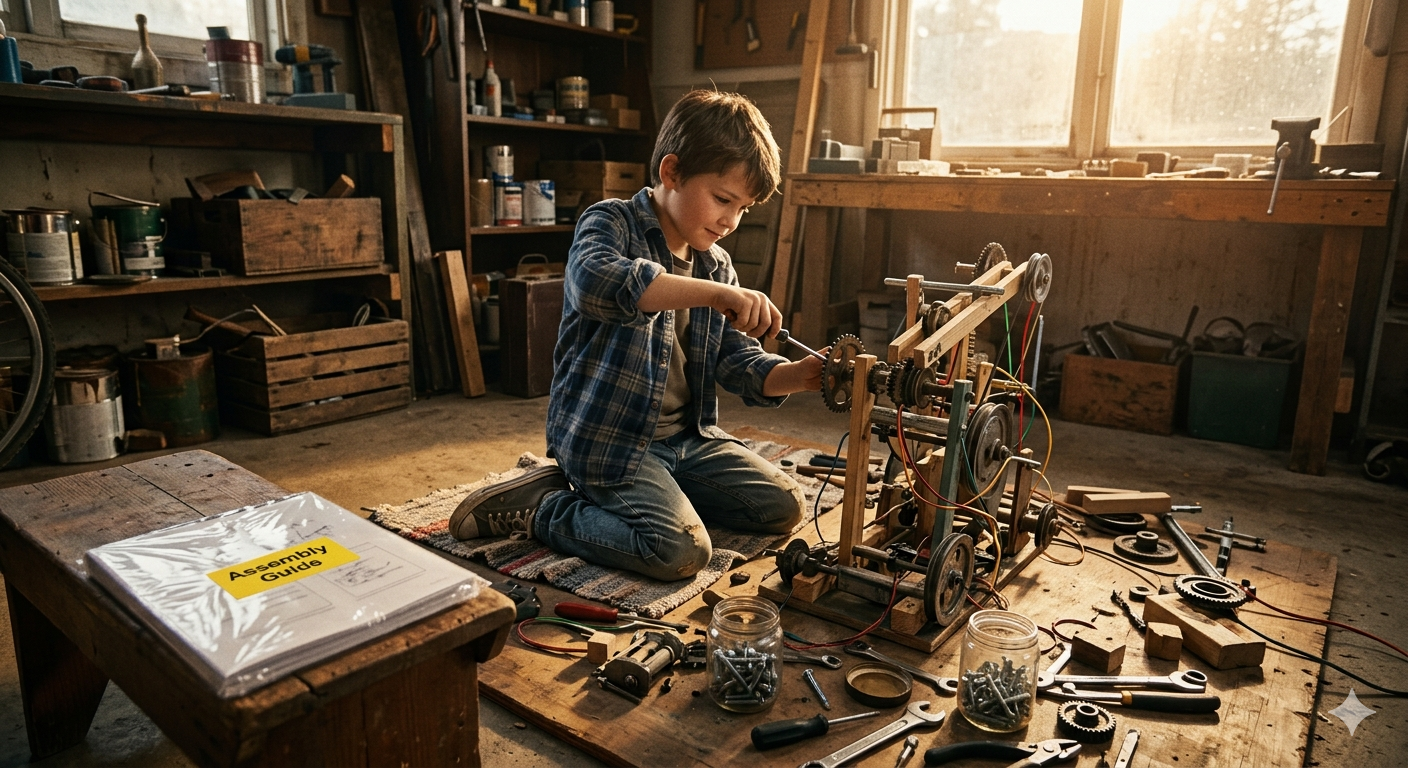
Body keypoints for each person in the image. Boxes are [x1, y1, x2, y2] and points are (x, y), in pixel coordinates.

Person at [450, 90, 825, 581]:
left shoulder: (717, 265)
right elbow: (595, 283)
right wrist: (715, 295)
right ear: (672, 172)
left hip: (687, 440)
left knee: (784, 506)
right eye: (722, 200)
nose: (731, 221)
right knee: (678, 551)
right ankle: (543, 507)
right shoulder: (610, 221)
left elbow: (738, 362)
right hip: (608, 442)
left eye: (744, 209)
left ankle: (656, 498)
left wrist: (801, 375)